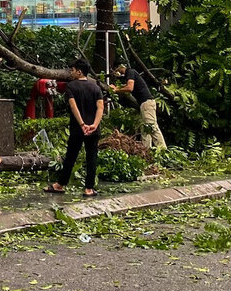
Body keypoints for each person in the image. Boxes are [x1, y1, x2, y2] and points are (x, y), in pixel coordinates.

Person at [46, 59, 104, 197]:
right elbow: (100, 107)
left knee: (71, 156)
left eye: (72, 70)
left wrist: (82, 124)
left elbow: (73, 106)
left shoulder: (71, 87)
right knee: (92, 157)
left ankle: (60, 184)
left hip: (78, 128)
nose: (71, 72)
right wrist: (94, 125)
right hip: (93, 129)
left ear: (79, 71)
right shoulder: (96, 87)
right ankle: (89, 189)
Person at [112, 62, 166, 150]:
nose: (117, 72)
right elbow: (127, 86)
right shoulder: (131, 74)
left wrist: (116, 90)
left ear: (121, 67)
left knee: (152, 127)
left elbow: (129, 88)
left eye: (117, 70)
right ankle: (146, 150)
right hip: (145, 104)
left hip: (146, 103)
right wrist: (116, 88)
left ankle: (163, 150)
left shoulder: (130, 72)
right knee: (145, 128)